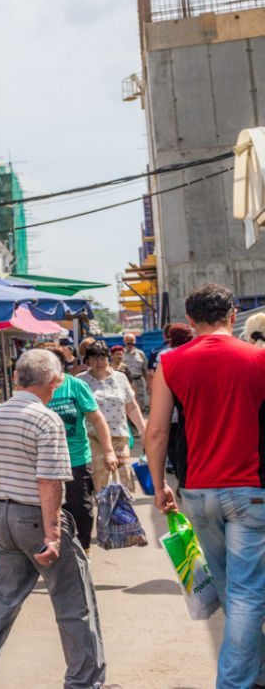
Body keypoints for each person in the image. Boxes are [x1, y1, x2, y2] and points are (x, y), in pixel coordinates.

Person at [0, 350, 115, 689]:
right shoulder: (45, 419)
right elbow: (49, 482)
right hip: (36, 516)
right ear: (55, 382)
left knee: (4, 596)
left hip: (3, 516)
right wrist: (53, 533)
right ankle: (85, 682)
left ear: (17, 378)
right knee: (73, 601)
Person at [146, 283, 265, 689]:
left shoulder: (171, 362)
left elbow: (157, 431)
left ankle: (256, 673)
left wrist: (160, 483)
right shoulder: (259, 358)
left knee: (233, 589)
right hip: (251, 488)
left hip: (197, 491)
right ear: (233, 317)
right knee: (248, 594)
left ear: (190, 320)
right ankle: (234, 682)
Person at [33, 343, 116, 553]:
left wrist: (108, 451)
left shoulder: (75, 386)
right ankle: (54, 549)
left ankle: (83, 550)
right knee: (46, 509)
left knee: (80, 508)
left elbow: (97, 420)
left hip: (77, 458)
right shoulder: (34, 388)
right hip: (44, 460)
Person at [81, 342, 145, 494]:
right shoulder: (81, 380)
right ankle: (106, 515)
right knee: (101, 481)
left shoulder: (120, 377)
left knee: (125, 479)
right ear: (88, 360)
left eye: (102, 358)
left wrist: (144, 431)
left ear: (108, 358)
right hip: (93, 437)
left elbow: (132, 406)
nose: (99, 363)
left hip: (119, 435)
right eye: (94, 358)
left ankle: (123, 515)